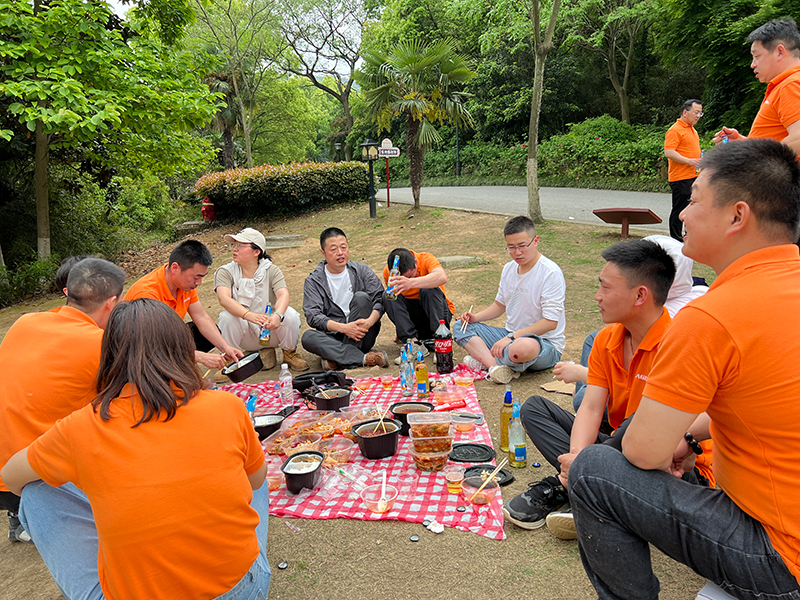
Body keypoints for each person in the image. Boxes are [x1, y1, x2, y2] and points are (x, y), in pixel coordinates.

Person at [569, 139, 800, 598]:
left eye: (693, 200)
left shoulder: (712, 316)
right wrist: (691, 437)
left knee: (594, 469)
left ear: (738, 215)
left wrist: (667, 441)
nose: (682, 216)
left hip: (780, 555)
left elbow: (644, 454)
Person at [1, 299, 270, 600]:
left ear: (108, 355)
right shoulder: (227, 407)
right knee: (253, 464)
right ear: (182, 347)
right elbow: (256, 482)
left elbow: (11, 478)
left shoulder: (79, 428)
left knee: (36, 492)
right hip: (241, 589)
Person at [503, 239, 710, 538]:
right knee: (535, 408)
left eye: (606, 288)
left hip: (673, 462)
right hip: (620, 448)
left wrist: (585, 461)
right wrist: (578, 458)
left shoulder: (678, 345)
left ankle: (581, 490)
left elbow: (658, 436)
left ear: (640, 295)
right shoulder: (606, 339)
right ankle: (583, 485)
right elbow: (590, 407)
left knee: (636, 424)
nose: (597, 297)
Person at [0, 258, 124, 544]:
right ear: (111, 302)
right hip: (32, 478)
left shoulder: (25, 321)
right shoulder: (101, 343)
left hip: (6, 472)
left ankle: (19, 518)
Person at [557, 234, 708, 414]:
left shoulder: (670, 328)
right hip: (627, 399)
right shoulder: (696, 293)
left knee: (583, 399)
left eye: (606, 288)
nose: (597, 296)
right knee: (595, 340)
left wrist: (584, 375)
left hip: (641, 415)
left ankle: (591, 386)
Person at [453, 215, 565, 385]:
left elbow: (550, 323)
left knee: (521, 348)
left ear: (535, 241)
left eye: (522, 246)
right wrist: (476, 318)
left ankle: (486, 360)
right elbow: (500, 304)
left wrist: (511, 337)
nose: (517, 253)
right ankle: (495, 368)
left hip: (543, 344)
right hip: (510, 336)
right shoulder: (508, 269)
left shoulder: (550, 273)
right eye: (511, 247)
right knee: (460, 326)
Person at [124, 240, 243, 370]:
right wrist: (198, 356)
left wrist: (225, 348)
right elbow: (150, 345)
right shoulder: (146, 295)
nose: (199, 283)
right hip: (137, 350)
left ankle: (179, 367)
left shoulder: (185, 286)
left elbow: (201, 317)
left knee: (201, 333)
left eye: (202, 277)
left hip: (166, 336)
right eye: (196, 277)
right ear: (175, 268)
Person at [215, 227, 308, 371]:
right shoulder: (225, 272)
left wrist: (277, 315)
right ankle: (230, 360)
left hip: (271, 330)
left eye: (240, 245)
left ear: (256, 252)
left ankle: (289, 353)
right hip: (244, 333)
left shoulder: (271, 270)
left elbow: (283, 294)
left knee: (290, 314)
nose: (235, 249)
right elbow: (224, 299)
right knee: (226, 317)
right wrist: (248, 315)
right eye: (234, 245)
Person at [301, 227, 388, 370]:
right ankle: (363, 358)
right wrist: (344, 328)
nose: (340, 253)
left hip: (363, 333)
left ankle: (337, 360)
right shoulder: (313, 281)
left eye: (343, 247)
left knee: (361, 298)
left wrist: (369, 322)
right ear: (323, 253)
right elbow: (313, 316)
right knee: (308, 337)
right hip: (333, 336)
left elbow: (380, 299)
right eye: (333, 249)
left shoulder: (362, 270)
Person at [714, 18, 800, 155]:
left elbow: (798, 138)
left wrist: (754, 160)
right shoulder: (785, 84)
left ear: (779, 52)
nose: (752, 64)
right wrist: (743, 142)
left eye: (757, 56)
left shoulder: (790, 84)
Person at [382, 247, 454, 362]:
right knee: (388, 295)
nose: (405, 281)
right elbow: (397, 307)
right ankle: (413, 343)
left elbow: (442, 277)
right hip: (413, 320)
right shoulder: (390, 272)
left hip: (436, 314)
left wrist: (411, 283)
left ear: (415, 262)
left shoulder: (426, 259)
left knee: (428, 290)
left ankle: (440, 343)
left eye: (410, 276)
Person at [664, 99, 703, 241]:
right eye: (696, 112)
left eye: (700, 113)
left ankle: (688, 236)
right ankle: (675, 238)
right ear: (685, 112)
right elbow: (668, 152)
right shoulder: (675, 130)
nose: (698, 116)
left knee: (692, 208)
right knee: (679, 209)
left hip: (694, 175)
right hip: (680, 177)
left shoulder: (693, 130)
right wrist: (689, 161)